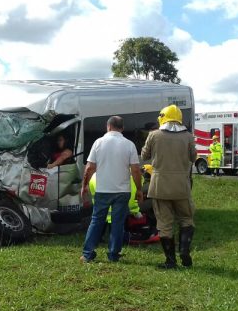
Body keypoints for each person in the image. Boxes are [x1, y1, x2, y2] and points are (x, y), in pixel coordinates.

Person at [80, 116, 143, 263]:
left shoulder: (98, 143)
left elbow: (89, 168)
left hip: (103, 189)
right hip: (122, 191)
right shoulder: (129, 145)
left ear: (108, 127)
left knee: (96, 221)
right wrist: (139, 189)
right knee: (118, 223)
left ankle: (87, 254)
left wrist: (84, 185)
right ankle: (114, 254)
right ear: (122, 128)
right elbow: (135, 170)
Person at [141, 104, 197, 268]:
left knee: (164, 224)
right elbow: (194, 158)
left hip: (160, 186)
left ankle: (170, 261)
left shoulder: (154, 135)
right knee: (186, 219)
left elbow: (145, 155)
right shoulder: (188, 136)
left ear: (162, 117)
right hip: (181, 186)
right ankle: (185, 250)